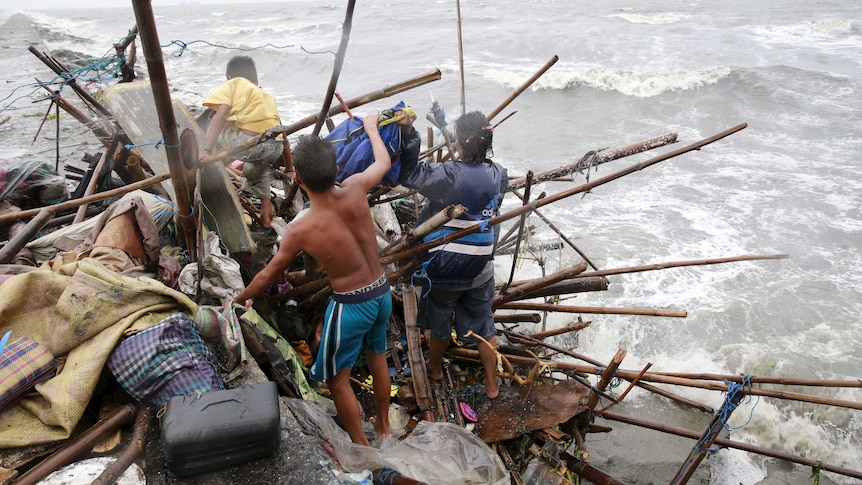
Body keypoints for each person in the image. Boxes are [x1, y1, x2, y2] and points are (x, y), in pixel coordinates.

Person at [235, 114, 392, 445]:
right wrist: (372, 129)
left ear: (297, 177)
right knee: (378, 357)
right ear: (337, 170)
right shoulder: (356, 186)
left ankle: (363, 450)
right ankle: (385, 427)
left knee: (337, 380)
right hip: (382, 292)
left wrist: (238, 297)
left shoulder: (301, 229)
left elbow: (268, 273)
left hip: (352, 305)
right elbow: (383, 160)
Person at [399, 111, 508, 399]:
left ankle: (434, 369)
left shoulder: (448, 175)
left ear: (460, 143)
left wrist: (410, 135)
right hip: (480, 269)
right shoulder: (499, 175)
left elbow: (409, 174)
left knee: (440, 321)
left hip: (444, 269)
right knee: (484, 325)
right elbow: (487, 200)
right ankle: (492, 382)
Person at [200, 55, 283, 228]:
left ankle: (213, 166)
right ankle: (267, 218)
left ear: (230, 76)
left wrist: (207, 150)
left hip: (251, 145)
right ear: (256, 79)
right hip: (275, 148)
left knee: (214, 119)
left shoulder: (233, 83)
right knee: (254, 172)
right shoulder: (265, 94)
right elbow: (280, 128)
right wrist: (289, 166)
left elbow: (221, 116)